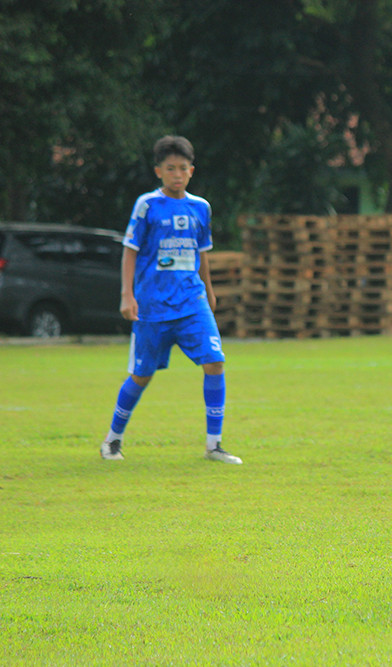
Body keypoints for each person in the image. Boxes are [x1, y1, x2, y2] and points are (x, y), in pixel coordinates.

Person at [100, 135, 241, 465]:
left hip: (192, 303)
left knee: (215, 361)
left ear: (191, 171)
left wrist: (209, 290)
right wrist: (127, 295)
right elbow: (130, 251)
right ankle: (113, 440)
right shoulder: (147, 205)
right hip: (153, 306)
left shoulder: (200, 207)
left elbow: (201, 253)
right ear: (158, 171)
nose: (177, 174)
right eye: (170, 169)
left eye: (182, 168)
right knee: (141, 375)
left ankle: (214, 445)